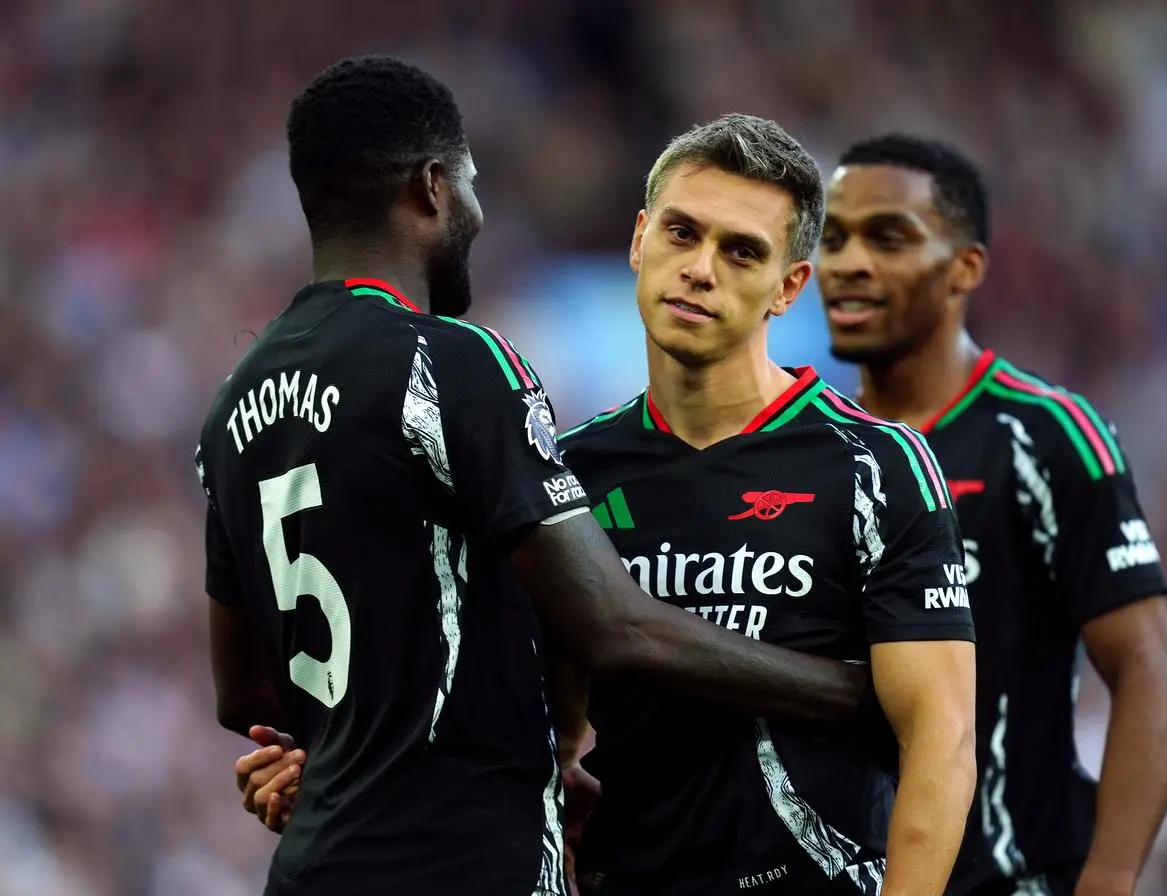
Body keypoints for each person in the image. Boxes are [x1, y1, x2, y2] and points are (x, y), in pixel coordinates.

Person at [237, 112, 980, 896]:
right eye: (682, 233)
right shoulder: (568, 470)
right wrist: (330, 773)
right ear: (638, 240)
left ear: (789, 287)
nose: (700, 269)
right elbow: (518, 722)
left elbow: (942, 738)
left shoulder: (878, 466)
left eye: (741, 252)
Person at [816, 134, 1167, 896]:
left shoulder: (1046, 436)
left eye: (888, 237)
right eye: (833, 237)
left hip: (1016, 877)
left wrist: (1110, 878)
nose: (849, 261)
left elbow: (1148, 672)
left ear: (966, 269)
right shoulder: (810, 449)